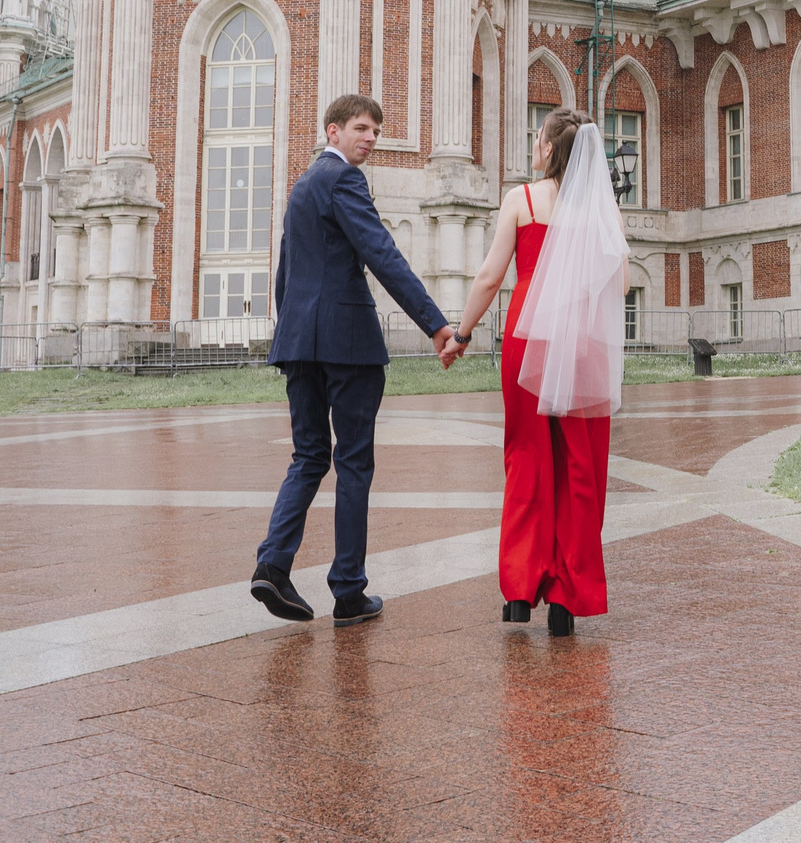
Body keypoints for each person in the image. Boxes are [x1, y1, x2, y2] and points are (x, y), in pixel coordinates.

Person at [249, 93, 460, 626]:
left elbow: (287, 271)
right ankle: (348, 591)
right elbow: (381, 253)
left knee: (309, 455)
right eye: (361, 128)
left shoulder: (301, 186)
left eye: (375, 132)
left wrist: (290, 332)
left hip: (300, 343)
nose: (370, 138)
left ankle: (273, 564)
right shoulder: (344, 179)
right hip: (346, 343)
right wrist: (436, 324)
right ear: (333, 131)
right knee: (353, 463)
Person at [448, 107, 628, 638]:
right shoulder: (603, 210)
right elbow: (618, 289)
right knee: (580, 464)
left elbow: (488, 277)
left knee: (526, 456)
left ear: (548, 149)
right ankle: (569, 599)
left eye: (537, 139)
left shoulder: (522, 200)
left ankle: (521, 590)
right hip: (584, 344)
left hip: (529, 341)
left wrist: (460, 334)